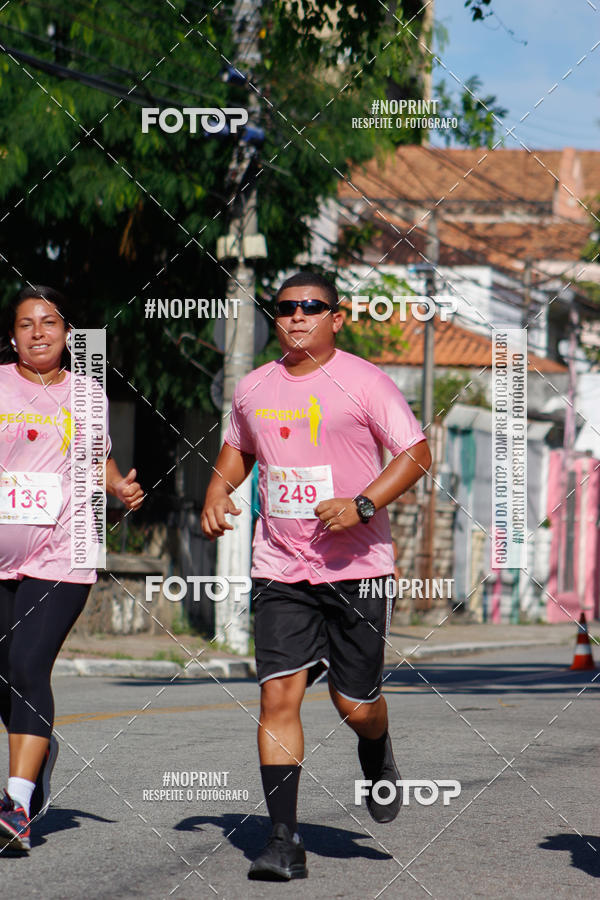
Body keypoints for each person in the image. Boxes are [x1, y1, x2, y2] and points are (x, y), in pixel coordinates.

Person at [201, 271, 432, 881]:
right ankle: (283, 839)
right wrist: (217, 491)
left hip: (357, 569)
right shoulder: (253, 387)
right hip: (279, 566)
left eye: (311, 307)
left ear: (337, 316)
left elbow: (416, 454)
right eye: (285, 308)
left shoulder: (366, 382)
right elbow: (239, 448)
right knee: (278, 695)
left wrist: (361, 504)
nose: (297, 316)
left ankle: (376, 749)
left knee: (354, 706)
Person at [0, 286, 144, 852]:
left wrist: (119, 486)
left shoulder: (88, 394)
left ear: (67, 332)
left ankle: (15, 805)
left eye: (50, 322)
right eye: (26, 324)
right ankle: (39, 750)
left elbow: (96, 457)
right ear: (12, 336)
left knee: (29, 663)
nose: (38, 332)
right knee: (6, 674)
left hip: (65, 551)